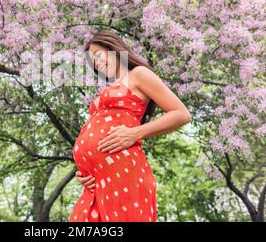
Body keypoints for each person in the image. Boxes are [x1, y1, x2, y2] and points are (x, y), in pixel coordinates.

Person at [69, 30, 192, 222]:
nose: (97, 63)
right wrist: (86, 170)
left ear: (114, 49)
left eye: (98, 55)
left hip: (124, 175)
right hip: (96, 183)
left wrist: (135, 133)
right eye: (92, 62)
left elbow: (181, 114)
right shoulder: (109, 88)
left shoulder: (138, 74)